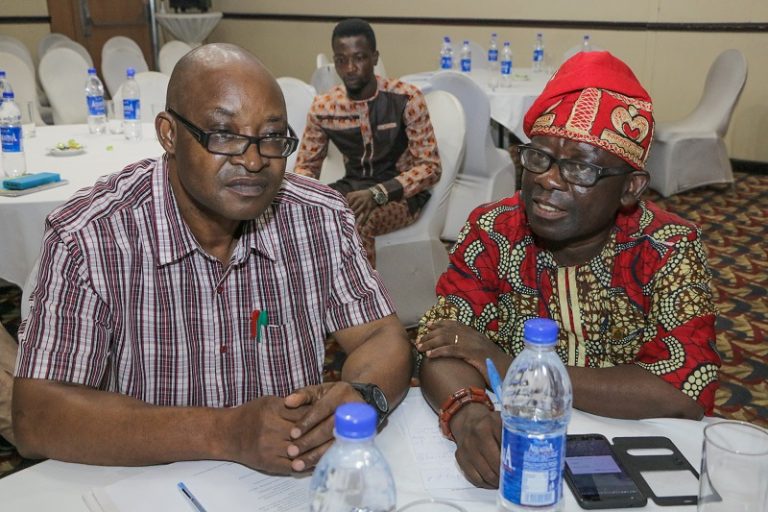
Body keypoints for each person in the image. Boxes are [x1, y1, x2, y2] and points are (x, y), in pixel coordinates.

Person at [12, 43, 412, 475]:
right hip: (145, 482)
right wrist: (225, 433)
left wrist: (362, 394)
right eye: (224, 135)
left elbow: (381, 336)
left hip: (287, 485)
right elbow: (37, 417)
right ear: (169, 134)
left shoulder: (318, 217)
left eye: (271, 138)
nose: (254, 161)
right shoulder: (91, 235)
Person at [414, 51, 721, 489]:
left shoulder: (667, 247)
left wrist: (516, 369)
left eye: (579, 167)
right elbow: (442, 344)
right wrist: (468, 414)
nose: (548, 179)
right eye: (539, 158)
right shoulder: (494, 230)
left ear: (630, 188)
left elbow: (682, 389)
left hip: (631, 445)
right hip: (518, 437)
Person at [294, 18, 441, 267]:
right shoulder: (325, 108)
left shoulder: (405, 99)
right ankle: (316, 286)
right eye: (341, 60)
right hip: (351, 189)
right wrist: (309, 199)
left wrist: (378, 194)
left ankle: (364, 291)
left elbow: (430, 168)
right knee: (298, 217)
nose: (350, 68)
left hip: (401, 196)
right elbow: (306, 168)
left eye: (359, 58)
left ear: (374, 57)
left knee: (357, 219)